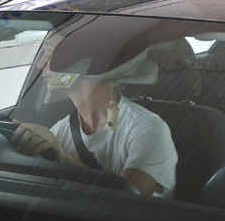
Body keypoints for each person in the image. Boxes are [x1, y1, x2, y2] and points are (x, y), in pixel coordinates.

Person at [11, 31, 177, 197]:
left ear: (86, 62)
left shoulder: (149, 130)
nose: (40, 63)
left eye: (52, 52)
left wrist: (65, 159)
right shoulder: (60, 131)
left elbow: (123, 203)